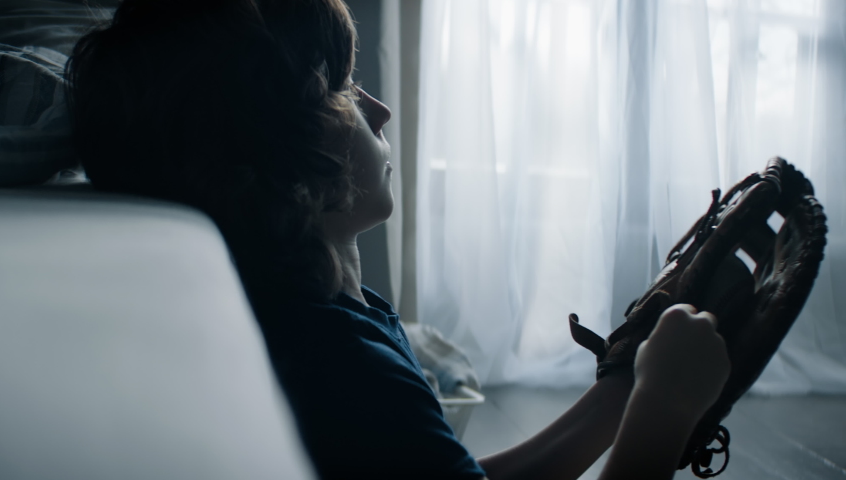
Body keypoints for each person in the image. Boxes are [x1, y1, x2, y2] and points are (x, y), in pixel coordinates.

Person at [66, 0, 730, 478]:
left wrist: (615, 395)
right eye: (341, 89)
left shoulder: (325, 317)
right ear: (271, 167)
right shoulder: (345, 370)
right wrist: (663, 407)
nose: (377, 110)